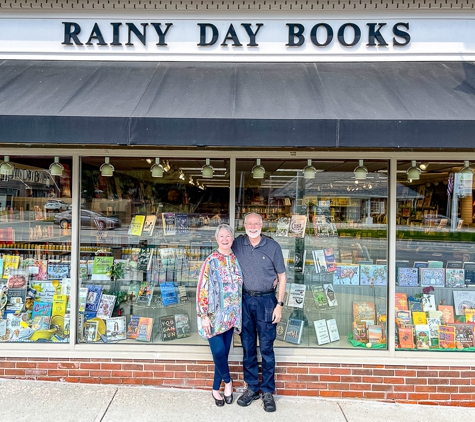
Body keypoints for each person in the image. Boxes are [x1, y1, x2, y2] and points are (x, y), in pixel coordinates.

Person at [232, 212, 287, 413]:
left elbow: (282, 276)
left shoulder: (273, 247)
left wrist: (279, 304)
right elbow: (223, 246)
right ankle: (252, 388)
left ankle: (268, 391)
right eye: (249, 223)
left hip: (266, 301)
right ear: (244, 225)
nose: (253, 226)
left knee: (266, 348)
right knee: (247, 347)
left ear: (262, 225)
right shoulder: (238, 244)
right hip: (245, 300)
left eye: (256, 223)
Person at [196, 224, 243, 407]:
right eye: (221, 236)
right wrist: (203, 315)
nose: (225, 239)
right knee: (217, 351)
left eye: (228, 236)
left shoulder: (235, 259)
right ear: (216, 239)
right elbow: (202, 288)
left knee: (223, 353)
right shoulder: (211, 260)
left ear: (232, 239)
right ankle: (229, 382)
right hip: (213, 316)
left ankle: (216, 389)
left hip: (230, 315)